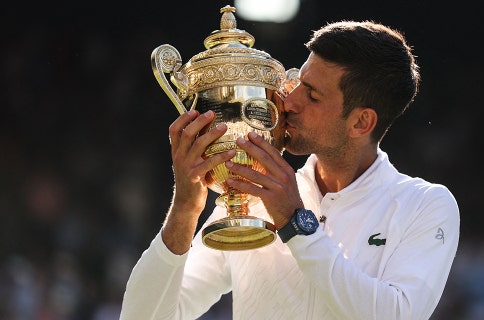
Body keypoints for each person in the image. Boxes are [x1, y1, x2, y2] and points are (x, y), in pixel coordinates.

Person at [121, 20, 460, 320]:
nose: (290, 101)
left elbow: (394, 315)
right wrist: (184, 210)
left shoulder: (426, 206)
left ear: (361, 122)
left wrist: (296, 224)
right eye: (297, 83)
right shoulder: (252, 194)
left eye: (312, 96)